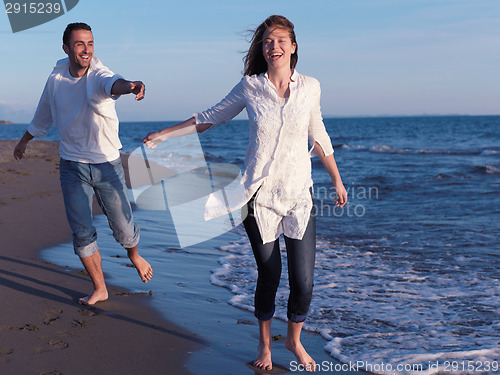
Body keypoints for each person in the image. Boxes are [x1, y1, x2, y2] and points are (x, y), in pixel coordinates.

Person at [142, 15, 347, 372]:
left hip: (299, 194)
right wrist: (165, 134)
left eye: (281, 40)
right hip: (259, 195)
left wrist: (338, 180)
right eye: (268, 41)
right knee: (270, 274)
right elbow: (211, 117)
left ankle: (293, 340)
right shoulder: (250, 87)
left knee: (304, 281)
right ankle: (265, 344)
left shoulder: (311, 87)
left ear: (293, 46)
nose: (274, 46)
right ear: (262, 49)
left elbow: (320, 136)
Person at [13, 22, 153, 306]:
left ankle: (134, 255)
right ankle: (100, 288)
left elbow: (115, 82)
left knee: (124, 230)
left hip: (106, 166)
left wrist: (132, 86)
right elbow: (43, 113)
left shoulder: (99, 75)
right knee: (81, 233)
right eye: (79, 44)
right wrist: (24, 140)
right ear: (66, 49)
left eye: (90, 43)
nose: (86, 49)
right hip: (72, 167)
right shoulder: (56, 79)